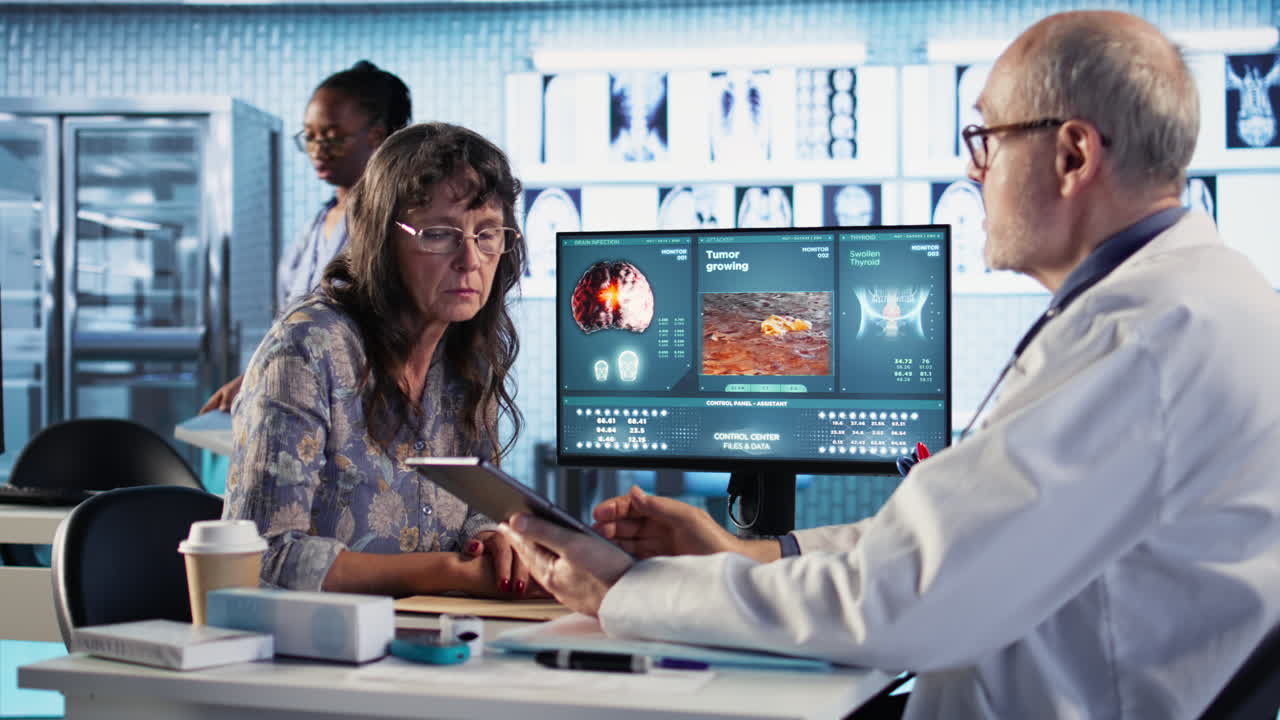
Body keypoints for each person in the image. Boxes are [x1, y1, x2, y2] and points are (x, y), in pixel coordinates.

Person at [500, 10, 1280, 719]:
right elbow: (960, 542)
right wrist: (753, 554)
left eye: (988, 140)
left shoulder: (1138, 338)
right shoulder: (1199, 300)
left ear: (1073, 153)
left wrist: (627, 588)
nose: (975, 172)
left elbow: (902, 600)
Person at [224, 122, 537, 598]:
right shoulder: (308, 348)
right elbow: (259, 555)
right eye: (438, 234)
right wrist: (445, 573)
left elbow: (474, 511)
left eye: (487, 234)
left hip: (429, 641)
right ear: (381, 240)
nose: (470, 260)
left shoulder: (466, 356)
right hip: (313, 654)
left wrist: (490, 539)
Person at [201, 60, 411, 413]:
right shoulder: (316, 226)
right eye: (309, 137)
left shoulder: (395, 227)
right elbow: (288, 323)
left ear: (377, 136)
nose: (317, 149)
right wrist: (256, 374)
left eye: (331, 136)